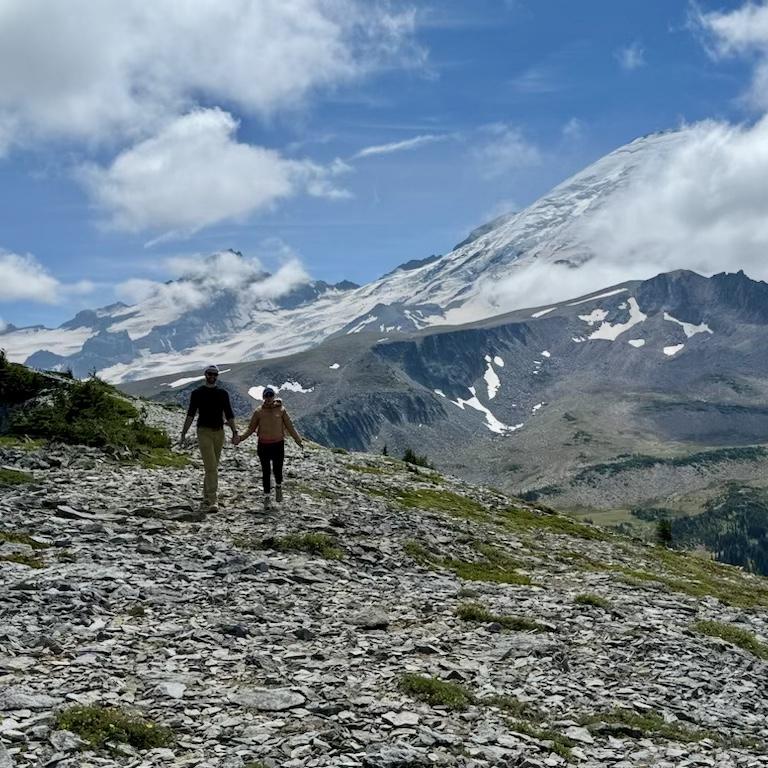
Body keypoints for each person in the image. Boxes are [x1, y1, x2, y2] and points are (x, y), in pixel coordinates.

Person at [179, 365, 237, 512]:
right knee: (211, 466)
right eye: (210, 374)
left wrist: (235, 431)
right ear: (205, 375)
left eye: (215, 374)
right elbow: (191, 413)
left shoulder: (222, 393)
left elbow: (229, 413)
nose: (212, 376)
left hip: (219, 432)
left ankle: (206, 495)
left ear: (217, 376)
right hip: (203, 431)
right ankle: (212, 500)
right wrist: (183, 432)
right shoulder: (197, 393)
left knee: (213, 466)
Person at [234, 386, 303, 510]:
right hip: (263, 444)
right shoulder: (258, 411)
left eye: (271, 395)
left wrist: (298, 440)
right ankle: (266, 497)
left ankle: (278, 486)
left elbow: (290, 426)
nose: (269, 398)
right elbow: (251, 428)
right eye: (266, 395)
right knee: (265, 471)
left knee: (277, 469)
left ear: (274, 396)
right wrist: (241, 438)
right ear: (263, 397)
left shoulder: (281, 410)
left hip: (278, 444)